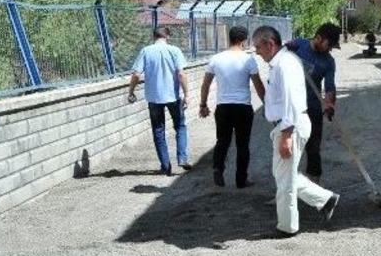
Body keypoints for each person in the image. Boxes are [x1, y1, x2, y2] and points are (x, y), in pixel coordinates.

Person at [252, 26, 340, 238]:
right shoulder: (286, 58)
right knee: (283, 174)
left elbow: (293, 100)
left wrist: (287, 134)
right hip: (286, 124)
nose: (256, 51)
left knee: (285, 182)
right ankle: (324, 199)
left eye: (258, 47)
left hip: (291, 124)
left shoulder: (285, 64)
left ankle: (287, 226)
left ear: (270, 44)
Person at [199, 26, 265, 188]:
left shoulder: (216, 58)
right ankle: (241, 180)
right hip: (243, 108)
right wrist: (268, 105)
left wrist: (203, 104)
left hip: (223, 107)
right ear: (244, 40)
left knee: (222, 141)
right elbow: (258, 85)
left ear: (230, 38)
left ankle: (217, 168)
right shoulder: (248, 59)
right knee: (243, 144)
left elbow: (205, 84)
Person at [127, 27, 191, 176]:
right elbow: (181, 74)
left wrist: (131, 91)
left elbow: (136, 74)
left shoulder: (146, 51)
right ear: (167, 36)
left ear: (154, 36)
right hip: (173, 96)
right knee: (180, 126)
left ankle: (165, 165)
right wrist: (187, 94)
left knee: (158, 130)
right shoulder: (174, 50)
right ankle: (182, 158)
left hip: (154, 98)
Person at [284, 22, 341, 184]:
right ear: (318, 38)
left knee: (313, 148)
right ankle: (285, 190)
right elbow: (278, 58)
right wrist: (284, 50)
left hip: (312, 108)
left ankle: (314, 186)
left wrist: (330, 104)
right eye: (329, 45)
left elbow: (330, 86)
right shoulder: (298, 45)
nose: (330, 49)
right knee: (287, 147)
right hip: (290, 107)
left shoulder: (329, 62)